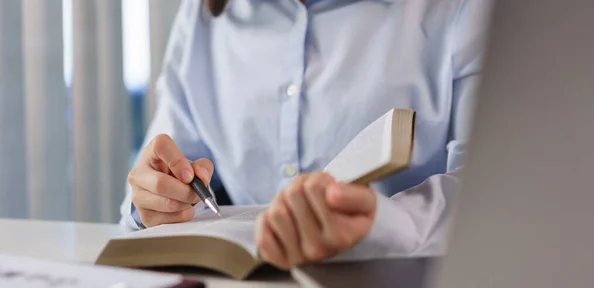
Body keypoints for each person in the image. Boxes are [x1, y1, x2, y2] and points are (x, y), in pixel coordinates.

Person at [122, 0, 492, 269]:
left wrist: (383, 225)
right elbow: (154, 177)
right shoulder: (203, 17)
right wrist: (155, 200)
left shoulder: (461, 10)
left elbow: (499, 194)